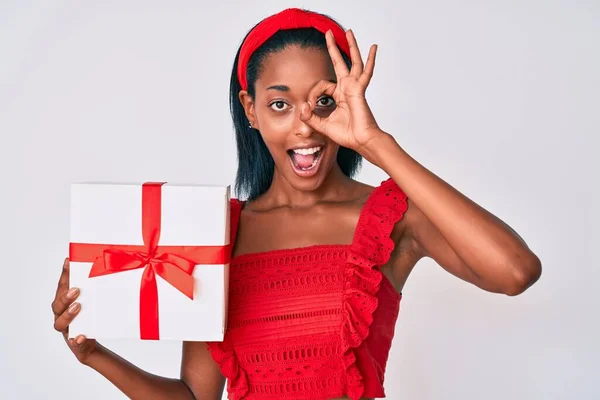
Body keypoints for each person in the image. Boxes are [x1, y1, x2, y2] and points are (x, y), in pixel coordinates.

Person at [51, 7, 542, 400]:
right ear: (251, 110)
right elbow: (196, 398)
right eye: (280, 104)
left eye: (323, 100)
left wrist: (376, 144)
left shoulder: (392, 218)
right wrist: (94, 352)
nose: (305, 126)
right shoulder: (215, 234)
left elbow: (515, 271)